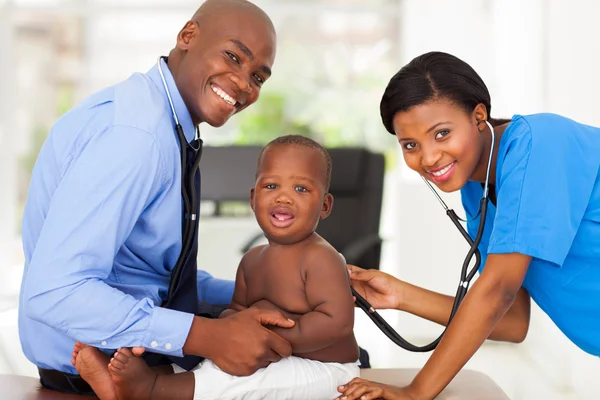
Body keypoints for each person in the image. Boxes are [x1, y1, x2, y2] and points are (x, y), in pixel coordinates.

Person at [19, 0, 297, 396]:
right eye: (233, 57)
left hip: (119, 354)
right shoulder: (138, 137)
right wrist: (208, 336)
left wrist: (262, 293)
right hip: (98, 366)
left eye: (258, 76)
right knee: (315, 369)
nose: (243, 83)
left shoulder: (163, 122)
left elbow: (149, 276)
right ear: (188, 36)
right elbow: (55, 292)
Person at [336, 51, 600, 400]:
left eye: (442, 133)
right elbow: (512, 322)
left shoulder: (542, 144)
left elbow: (497, 292)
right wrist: (400, 295)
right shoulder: (476, 189)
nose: (428, 158)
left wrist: (416, 392)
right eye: (410, 145)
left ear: (479, 117)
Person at [71, 135, 360, 400]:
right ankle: (125, 385)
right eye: (271, 186)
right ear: (253, 198)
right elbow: (236, 309)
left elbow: (336, 321)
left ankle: (152, 390)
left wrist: (277, 339)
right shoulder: (252, 260)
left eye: (301, 188)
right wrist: (227, 329)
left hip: (327, 372)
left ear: (324, 205)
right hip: (268, 355)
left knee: (244, 382)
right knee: (204, 360)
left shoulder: (322, 258)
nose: (283, 197)